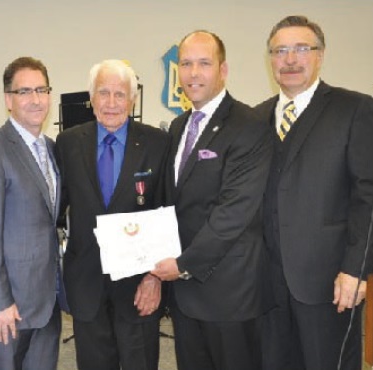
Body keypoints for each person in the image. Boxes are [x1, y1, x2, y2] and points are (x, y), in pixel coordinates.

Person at [254, 15, 373, 370]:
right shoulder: (256, 118)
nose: (290, 59)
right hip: (266, 287)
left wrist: (356, 270)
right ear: (270, 59)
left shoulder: (355, 109)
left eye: (302, 49)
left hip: (329, 283)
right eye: (281, 51)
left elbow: (367, 196)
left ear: (320, 55)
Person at [151, 31, 273, 370]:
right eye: (186, 64)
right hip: (185, 294)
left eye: (204, 63)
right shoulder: (178, 126)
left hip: (228, 293)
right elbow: (172, 203)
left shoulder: (249, 126)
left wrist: (184, 264)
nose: (193, 73)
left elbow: (234, 212)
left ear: (223, 70)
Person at [55, 59, 169, 370]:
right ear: (90, 98)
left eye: (120, 94)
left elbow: (166, 212)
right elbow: (54, 208)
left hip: (137, 288)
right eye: (103, 93)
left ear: (132, 99)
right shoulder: (67, 143)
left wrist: (154, 277)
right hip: (87, 284)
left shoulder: (158, 143)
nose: (111, 103)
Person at [0, 56, 66, 370]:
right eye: (24, 92)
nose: (35, 100)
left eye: (41, 90)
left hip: (46, 301)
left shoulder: (51, 147)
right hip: (7, 308)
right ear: (9, 99)